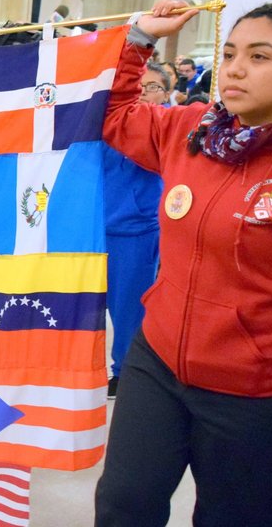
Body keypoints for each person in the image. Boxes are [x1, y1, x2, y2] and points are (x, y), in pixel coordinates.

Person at [95, 0, 272, 526]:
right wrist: (139, 38)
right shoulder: (192, 131)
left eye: (258, 56)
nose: (234, 68)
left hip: (258, 397)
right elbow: (116, 118)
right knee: (122, 506)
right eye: (229, 54)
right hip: (157, 366)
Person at [104, 62, 167, 398]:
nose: (143, 92)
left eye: (152, 86)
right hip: (92, 228)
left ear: (166, 94)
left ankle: (125, 372)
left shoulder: (164, 128)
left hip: (135, 231)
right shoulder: (106, 123)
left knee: (129, 309)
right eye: (138, 86)